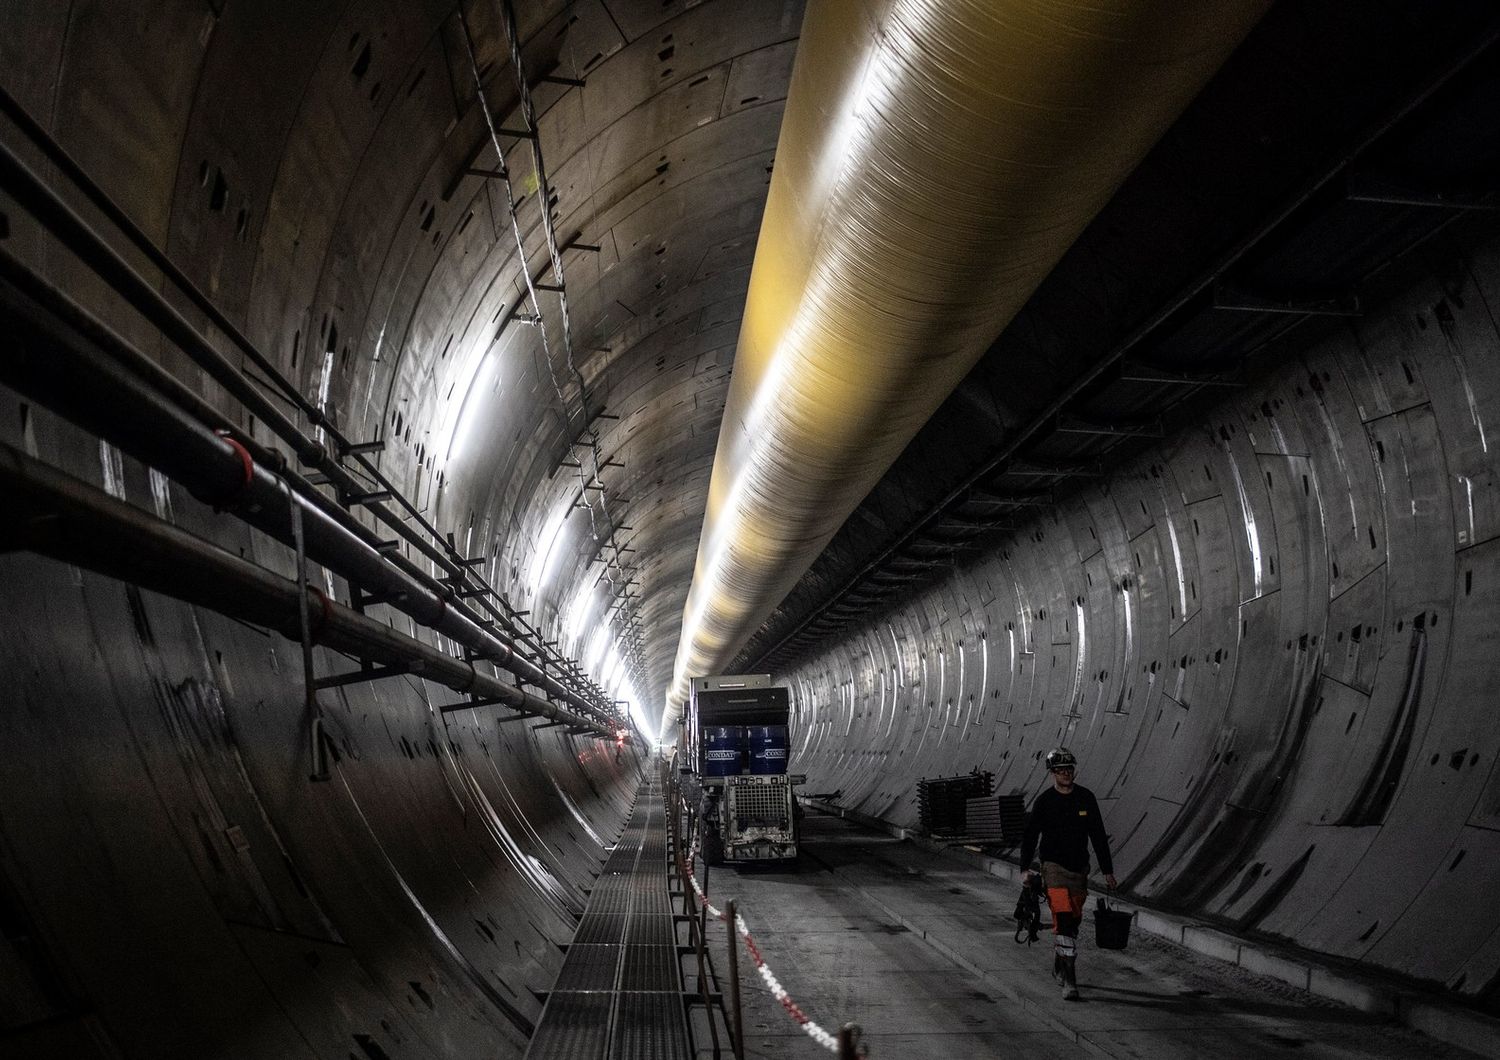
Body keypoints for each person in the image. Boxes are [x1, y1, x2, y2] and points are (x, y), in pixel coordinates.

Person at [1016, 747, 1116, 1000]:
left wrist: (1107, 870)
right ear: (1052, 774)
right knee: (1063, 918)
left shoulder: (1086, 798)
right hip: (1053, 869)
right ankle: (1070, 982)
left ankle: (1060, 963)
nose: (1066, 774)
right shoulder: (1045, 802)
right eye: (1060, 771)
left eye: (1069, 770)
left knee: (1073, 922)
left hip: (1079, 869)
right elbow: (1030, 837)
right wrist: (1024, 868)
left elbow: (1097, 834)